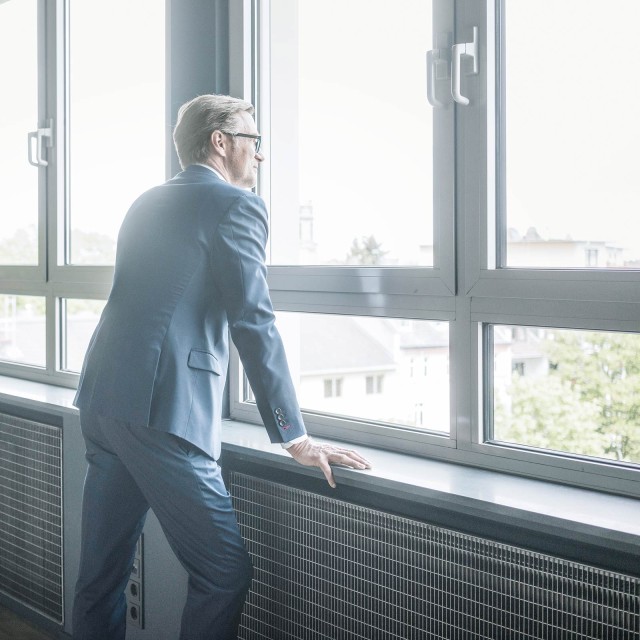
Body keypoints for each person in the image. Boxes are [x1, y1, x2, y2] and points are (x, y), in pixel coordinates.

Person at [71, 94, 372, 640]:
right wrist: (295, 436)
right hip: (162, 408)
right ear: (221, 142)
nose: (259, 156)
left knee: (101, 576)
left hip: (103, 400)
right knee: (224, 571)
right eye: (254, 141)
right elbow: (254, 322)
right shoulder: (237, 206)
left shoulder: (145, 202)